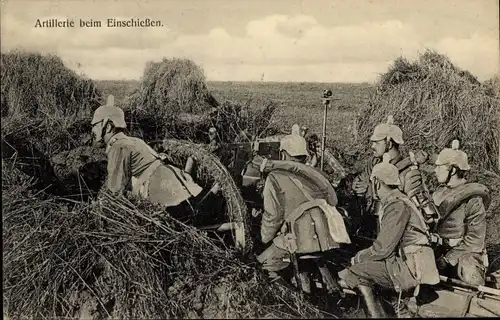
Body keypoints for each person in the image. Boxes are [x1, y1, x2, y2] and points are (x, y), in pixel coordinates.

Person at [339, 153, 440, 318]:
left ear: (377, 182)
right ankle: (398, 307)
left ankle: (390, 310)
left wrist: (358, 257)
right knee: (366, 269)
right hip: (409, 263)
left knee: (356, 272)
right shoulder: (399, 200)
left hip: (412, 268)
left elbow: (382, 249)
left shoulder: (396, 205)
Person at [256, 124, 351, 291]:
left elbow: (273, 215)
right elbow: (333, 201)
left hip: (299, 238)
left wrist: (264, 238)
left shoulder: (275, 177)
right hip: (327, 239)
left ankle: (295, 305)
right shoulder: (318, 174)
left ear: (283, 154)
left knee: (262, 266)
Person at [90, 99, 203, 210]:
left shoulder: (118, 147)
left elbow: (115, 191)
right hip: (180, 190)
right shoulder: (134, 140)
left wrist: (98, 207)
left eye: (95, 125)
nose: (92, 131)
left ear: (108, 127)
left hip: (167, 200)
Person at [352, 115, 425, 237]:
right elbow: (360, 186)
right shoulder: (373, 164)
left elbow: (416, 213)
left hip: (393, 233)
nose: (372, 146)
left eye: (376, 142)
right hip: (368, 229)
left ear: (389, 143)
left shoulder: (409, 173)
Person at [430, 140, 490, 286]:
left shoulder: (473, 200)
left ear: (453, 170)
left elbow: (475, 240)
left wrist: (447, 259)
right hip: (437, 250)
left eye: (439, 167)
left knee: (470, 271)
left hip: (462, 255)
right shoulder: (438, 193)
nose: (435, 170)